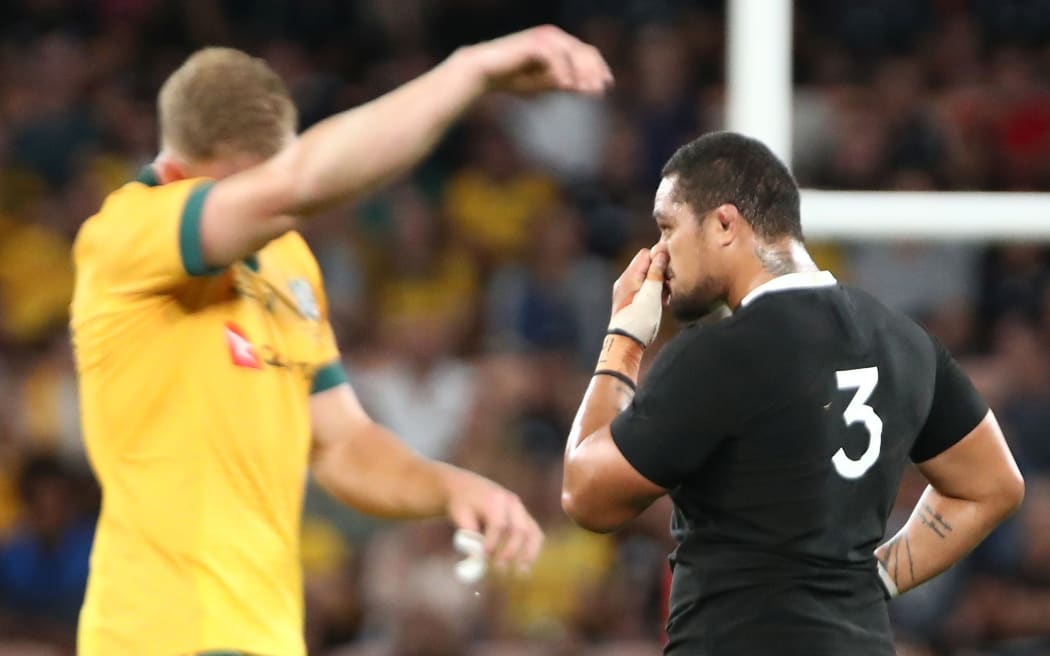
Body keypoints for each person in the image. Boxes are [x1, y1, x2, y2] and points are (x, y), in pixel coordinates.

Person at [71, 26, 612, 656]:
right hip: (158, 634)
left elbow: (343, 445)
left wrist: (452, 487)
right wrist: (469, 70)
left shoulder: (287, 259)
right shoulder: (127, 232)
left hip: (267, 637)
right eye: (242, 191)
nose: (265, 220)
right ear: (175, 171)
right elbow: (300, 185)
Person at [561, 131, 1025, 655]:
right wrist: (873, 583)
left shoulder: (720, 352)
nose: (659, 255)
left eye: (668, 227)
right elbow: (994, 485)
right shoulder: (905, 338)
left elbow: (586, 497)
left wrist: (623, 340)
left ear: (723, 224)